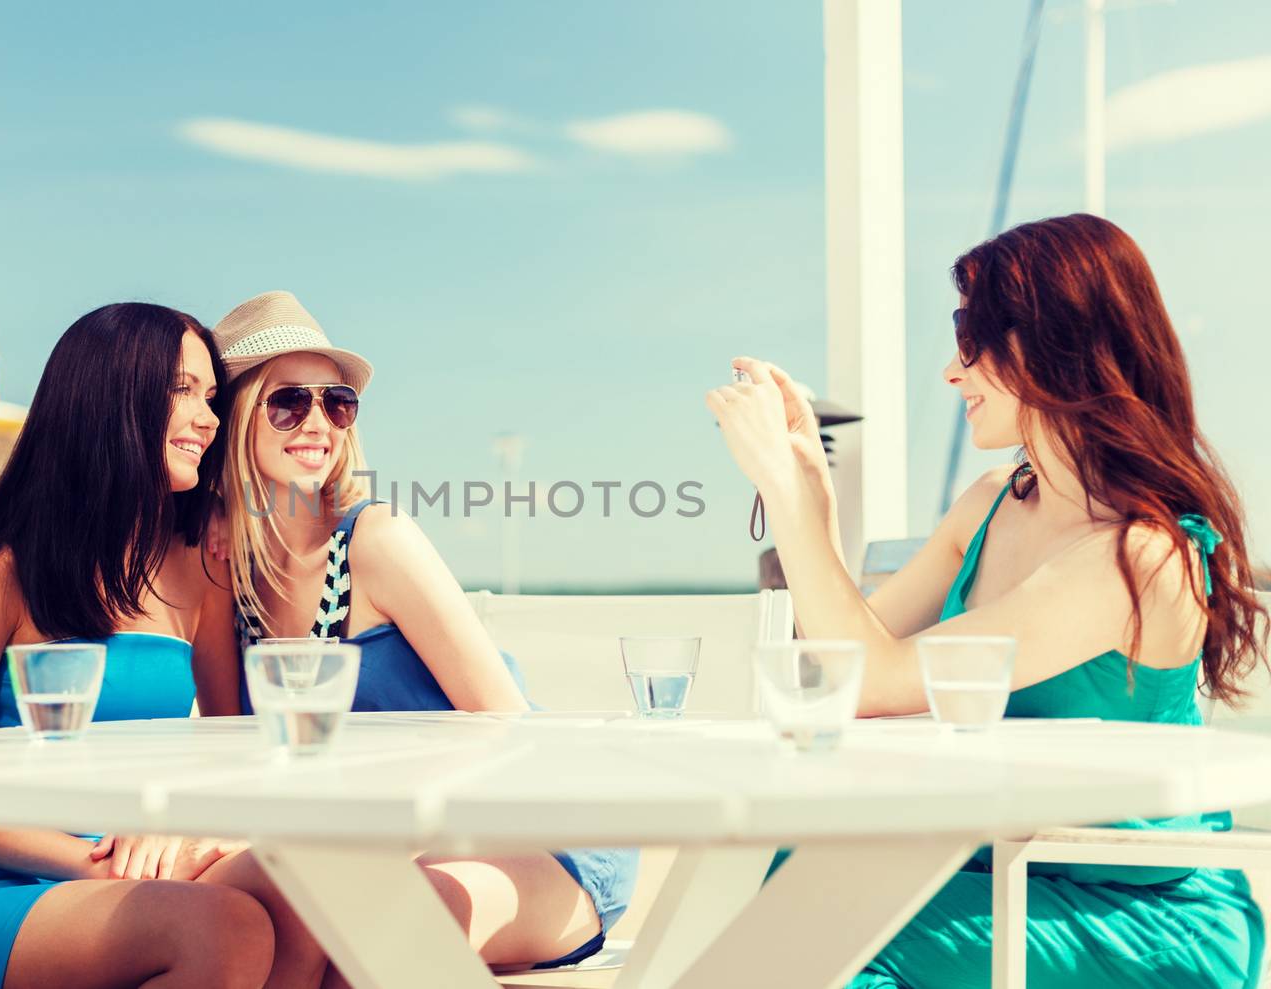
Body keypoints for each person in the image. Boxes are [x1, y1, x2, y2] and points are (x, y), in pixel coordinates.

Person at [708, 213, 1265, 988]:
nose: (950, 370)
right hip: (1000, 867)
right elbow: (827, 668)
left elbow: (866, 683)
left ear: (1049, 344)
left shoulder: (1138, 556)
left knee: (831, 940)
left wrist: (782, 490)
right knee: (803, 875)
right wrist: (808, 487)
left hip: (1133, 909)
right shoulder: (991, 502)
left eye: (970, 334)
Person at [196, 290, 638, 985]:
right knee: (265, 922)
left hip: (532, 834)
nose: (319, 422)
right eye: (289, 402)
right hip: (362, 852)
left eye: (336, 402)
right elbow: (227, 754)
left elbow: (509, 731)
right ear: (234, 419)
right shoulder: (228, 574)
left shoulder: (378, 541)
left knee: (373, 927)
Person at [0, 302, 281, 989]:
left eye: (211, 397)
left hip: (136, 870)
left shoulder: (202, 565)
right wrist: (103, 862)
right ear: (113, 398)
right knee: (225, 927)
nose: (208, 419)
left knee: (306, 883)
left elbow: (239, 754)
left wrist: (187, 828)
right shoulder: (1, 565)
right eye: (182, 391)